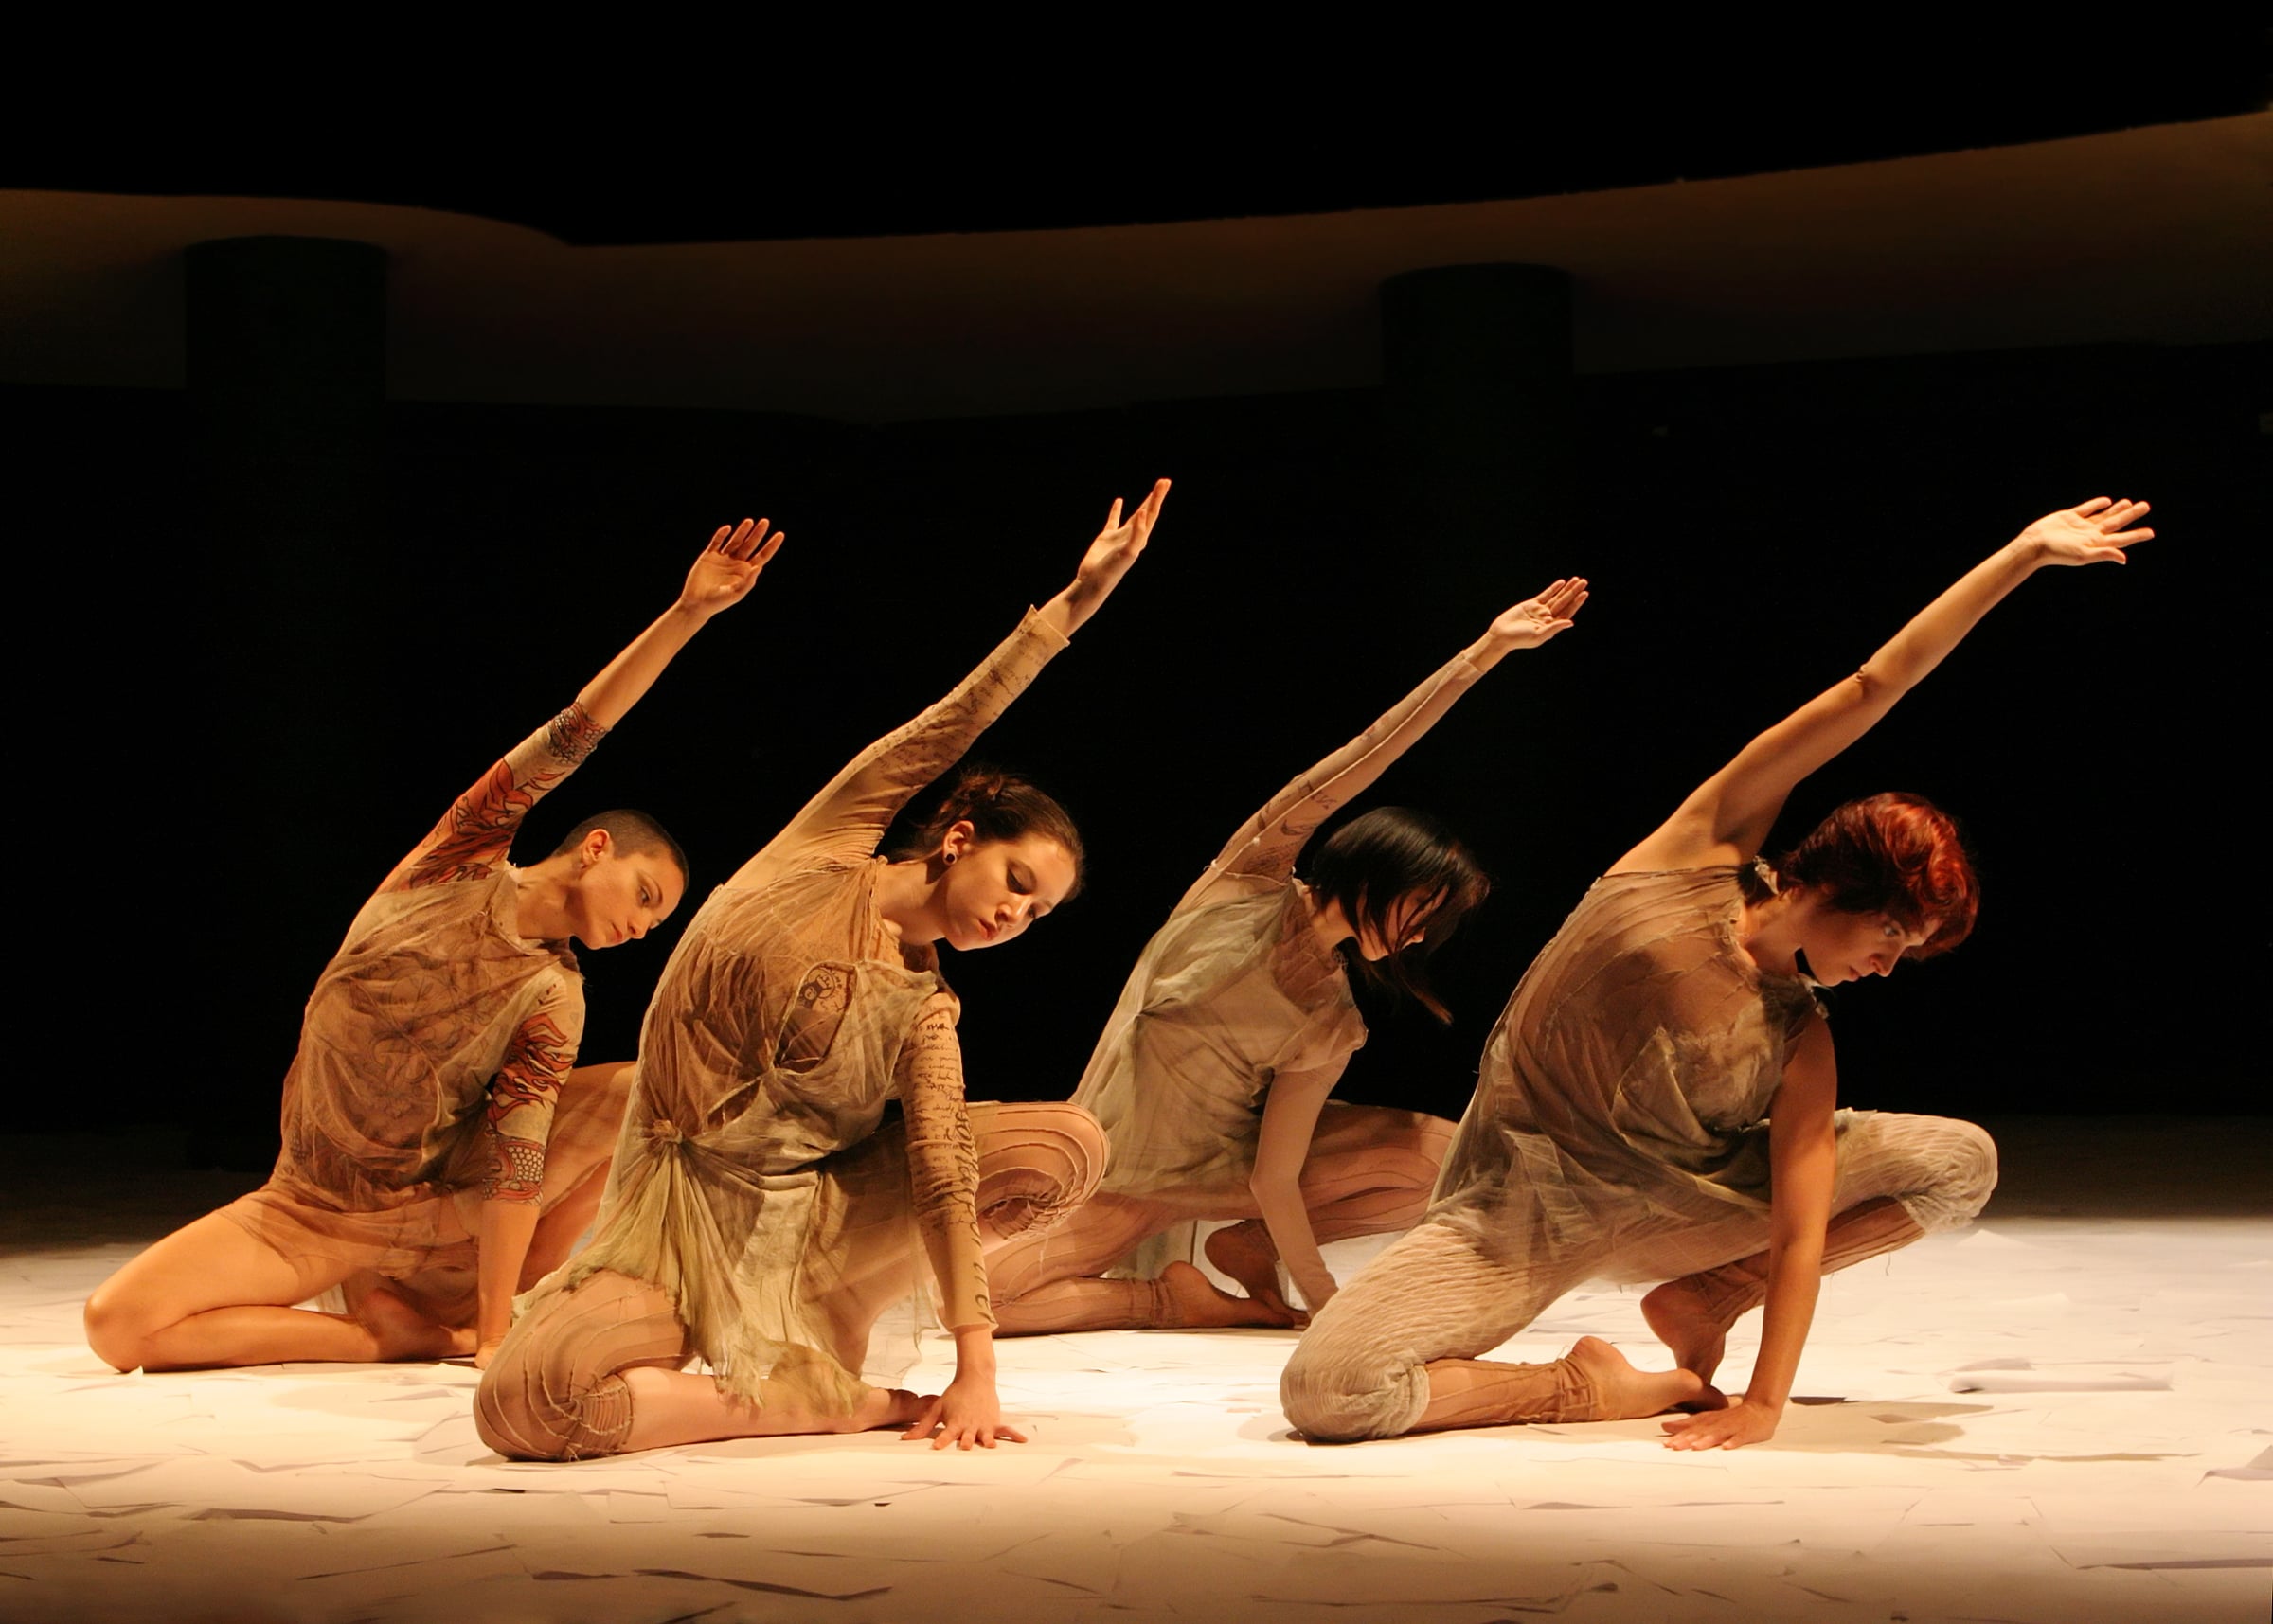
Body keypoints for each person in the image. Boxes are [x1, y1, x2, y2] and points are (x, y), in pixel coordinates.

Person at [1280, 496, 2154, 1448]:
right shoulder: (1693, 852)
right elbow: (1872, 686)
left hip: (1683, 1209)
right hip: (1521, 1207)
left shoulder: (1801, 1035)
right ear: (1843, 884)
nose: (1886, 967)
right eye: (1893, 934)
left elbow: (1800, 1231)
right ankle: (1595, 1385)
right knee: (1332, 1389)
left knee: (1960, 1159)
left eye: (1907, 953)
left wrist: (1765, 1402)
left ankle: (1706, 1298)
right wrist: (2020, 555)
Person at [473, 481, 1170, 1461]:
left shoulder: (928, 1009)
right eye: (1017, 882)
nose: (1018, 915)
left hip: (800, 1228)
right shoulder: (826, 845)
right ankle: (836, 1397)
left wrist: (977, 1369)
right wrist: (1073, 606)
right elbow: (946, 727)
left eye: (1038, 913)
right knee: (525, 1404)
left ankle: (826, 1342)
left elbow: (944, 1169)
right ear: (959, 838)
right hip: (663, 1222)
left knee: (1063, 1144)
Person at [84, 518, 786, 1373]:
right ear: (595, 848)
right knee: (117, 1325)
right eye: (645, 895)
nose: (643, 926)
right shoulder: (455, 864)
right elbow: (574, 732)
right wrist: (686, 614)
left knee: (645, 1082)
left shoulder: (556, 994)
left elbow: (518, 1162)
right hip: (309, 1203)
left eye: (656, 921)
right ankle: (384, 1334)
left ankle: (516, 1294)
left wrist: (493, 1336)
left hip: (423, 1214)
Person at [988, 580, 1589, 1334]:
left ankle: (1249, 1248)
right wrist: (1484, 652)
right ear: (1380, 871)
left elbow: (1275, 1173)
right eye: (1423, 910)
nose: (1417, 940)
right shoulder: (1245, 883)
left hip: (1216, 1174)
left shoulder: (1331, 1017)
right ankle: (1174, 1300)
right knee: (984, 1300)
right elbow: (1363, 755)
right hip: (1120, 1170)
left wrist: (1322, 1295)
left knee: (1442, 1158)